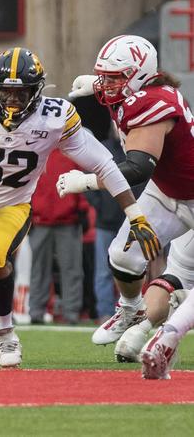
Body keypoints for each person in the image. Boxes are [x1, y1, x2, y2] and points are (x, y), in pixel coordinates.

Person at [0, 47, 160, 369]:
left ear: (37, 91)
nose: (13, 99)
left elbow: (105, 165)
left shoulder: (54, 118)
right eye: (6, 91)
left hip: (12, 205)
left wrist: (134, 214)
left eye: (21, 92)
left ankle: (5, 334)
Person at [57, 35, 194, 377]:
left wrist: (86, 181)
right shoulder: (138, 92)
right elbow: (119, 93)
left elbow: (137, 167)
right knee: (122, 256)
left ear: (139, 74)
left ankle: (167, 335)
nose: (107, 84)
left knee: (181, 277)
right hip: (168, 191)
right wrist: (96, 83)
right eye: (104, 76)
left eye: (115, 77)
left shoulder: (153, 102)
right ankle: (131, 309)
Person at [28, 151, 90, 324]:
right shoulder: (37, 151)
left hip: (67, 219)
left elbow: (81, 181)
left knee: (70, 268)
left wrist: (82, 208)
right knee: (40, 268)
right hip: (41, 219)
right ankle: (36, 312)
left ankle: (71, 312)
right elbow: (25, 183)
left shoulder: (70, 152)